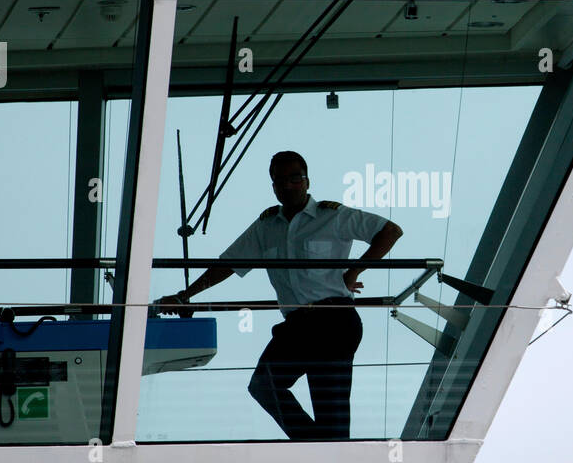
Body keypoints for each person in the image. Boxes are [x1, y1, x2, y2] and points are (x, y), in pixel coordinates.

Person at [159, 151, 402, 440]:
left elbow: (390, 231)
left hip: (334, 321)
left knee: (331, 420)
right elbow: (227, 264)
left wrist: (354, 272)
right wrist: (186, 295)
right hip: (298, 325)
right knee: (264, 385)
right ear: (273, 185)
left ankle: (327, 454)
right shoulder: (266, 226)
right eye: (279, 180)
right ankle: (321, 448)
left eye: (294, 178)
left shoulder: (333, 216)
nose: (287, 185)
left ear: (307, 181)